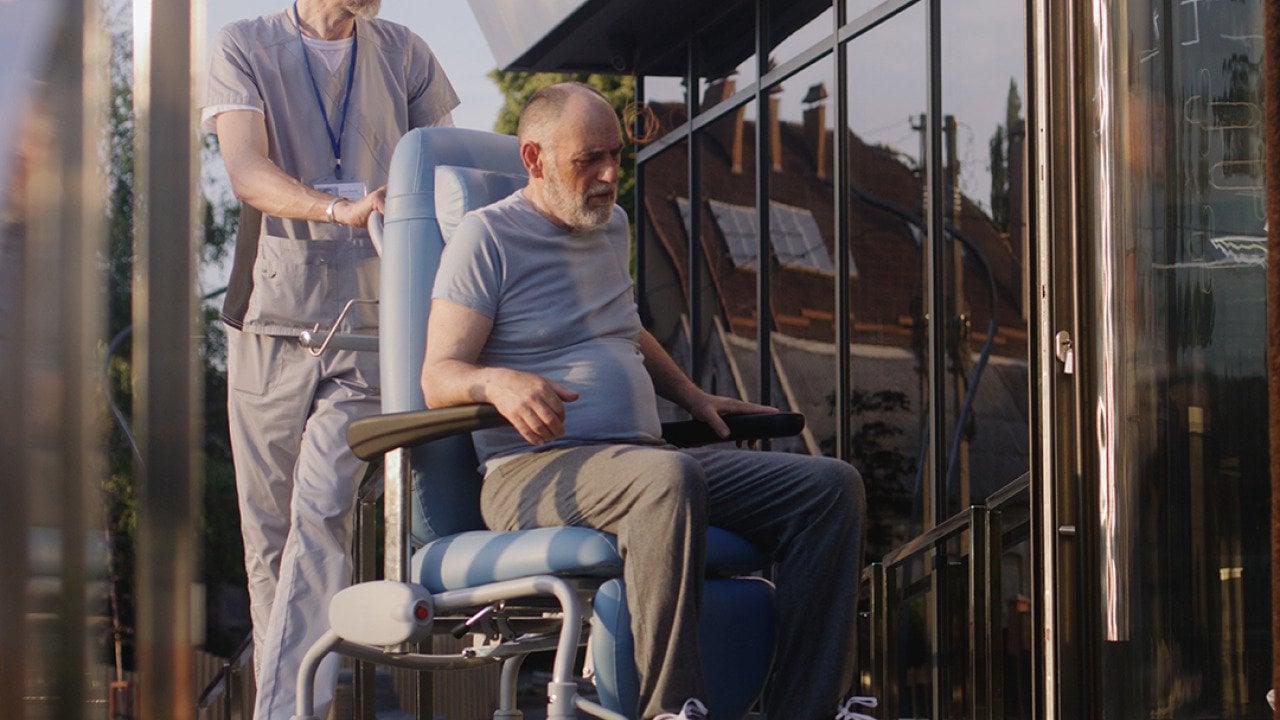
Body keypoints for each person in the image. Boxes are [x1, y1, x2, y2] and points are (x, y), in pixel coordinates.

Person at [420, 82, 868, 720]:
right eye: (587, 162)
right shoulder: (485, 238)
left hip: (639, 459)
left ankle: (810, 708)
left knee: (831, 489)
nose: (607, 177)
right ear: (535, 159)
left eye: (614, 158)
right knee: (666, 477)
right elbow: (438, 377)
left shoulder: (610, 227)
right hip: (532, 470)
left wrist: (690, 395)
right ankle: (672, 707)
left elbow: (624, 329)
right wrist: (496, 382)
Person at [201, 1, 459, 718]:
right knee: (269, 541)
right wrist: (330, 208)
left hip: (370, 327)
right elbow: (248, 173)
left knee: (320, 508)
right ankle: (296, 704)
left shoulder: (405, 54)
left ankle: (282, 712)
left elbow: (443, 171)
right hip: (270, 321)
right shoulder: (243, 44)